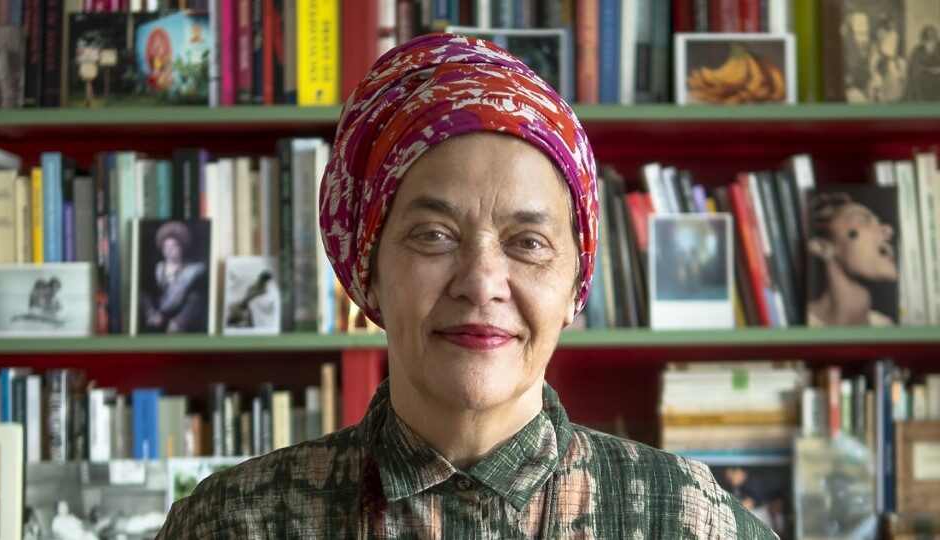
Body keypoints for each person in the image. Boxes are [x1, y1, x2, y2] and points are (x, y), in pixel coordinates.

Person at [157, 33, 776, 538]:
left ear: (575, 282)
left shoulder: (686, 520)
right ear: (367, 270)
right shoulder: (235, 522)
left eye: (527, 243)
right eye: (433, 235)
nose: (482, 282)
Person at [806, 192, 897, 326]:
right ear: (823, 247)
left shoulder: (886, 325)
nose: (888, 230)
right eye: (864, 220)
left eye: (879, 222)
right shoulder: (797, 323)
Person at [140, 220, 207, 333]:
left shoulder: (194, 271)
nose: (169, 250)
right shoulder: (156, 269)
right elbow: (143, 294)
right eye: (166, 247)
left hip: (182, 326)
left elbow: (196, 300)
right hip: (155, 324)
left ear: (182, 247)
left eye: (174, 246)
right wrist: (151, 314)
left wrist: (179, 322)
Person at [905, 24, 940, 101]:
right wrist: (928, 70)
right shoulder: (918, 50)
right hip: (924, 76)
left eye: (932, 40)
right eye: (927, 40)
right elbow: (913, 64)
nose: (929, 43)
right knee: (915, 76)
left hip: (938, 77)